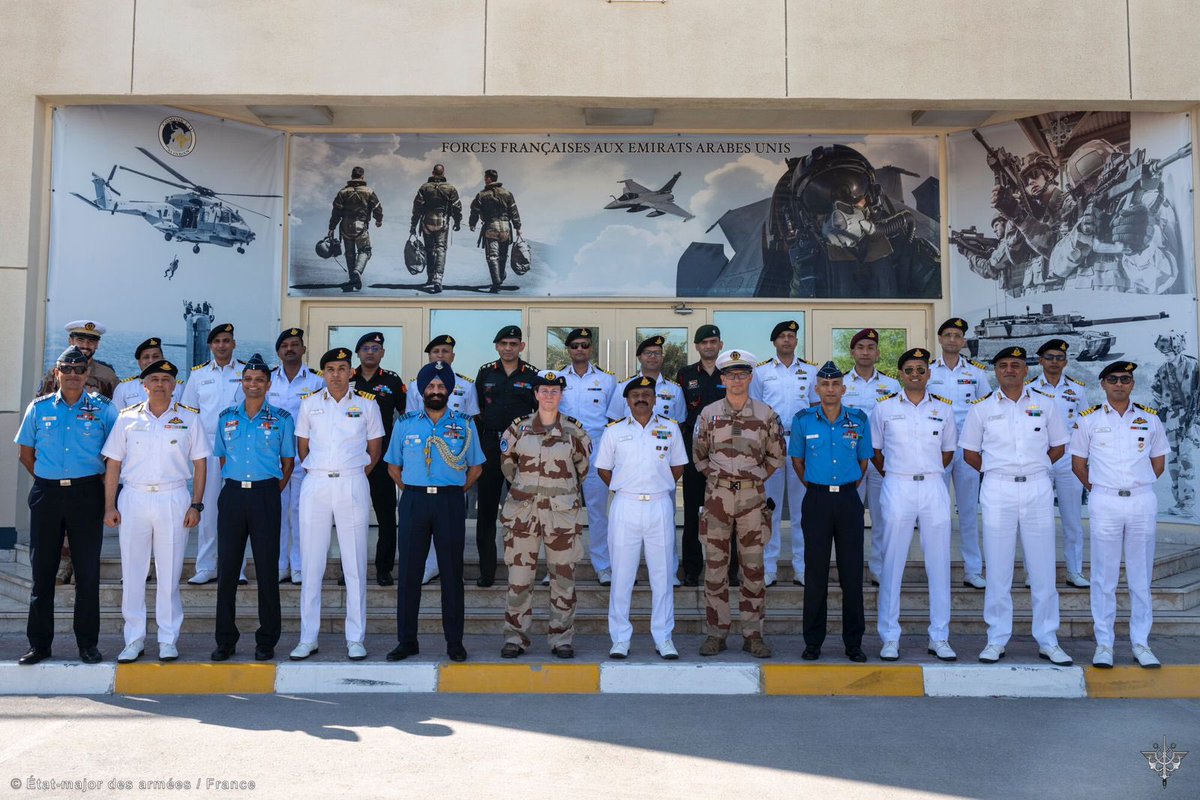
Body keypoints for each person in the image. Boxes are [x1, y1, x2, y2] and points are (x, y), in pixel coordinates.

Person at [960, 346, 1073, 666]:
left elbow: (1059, 446)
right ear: (995, 371)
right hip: (997, 489)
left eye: (1016, 365)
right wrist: (996, 470)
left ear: (1026, 370)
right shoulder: (981, 409)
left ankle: (1048, 638)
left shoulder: (1046, 404)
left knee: (1042, 568)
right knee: (997, 569)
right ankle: (996, 637)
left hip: (1037, 488)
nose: (1009, 369)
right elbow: (970, 453)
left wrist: (1035, 466)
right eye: (1003, 365)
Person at [14, 346, 118, 665]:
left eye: (79, 369)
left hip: (87, 494)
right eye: (67, 369)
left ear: (87, 373)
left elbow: (116, 455)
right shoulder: (39, 407)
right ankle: (39, 645)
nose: (73, 375)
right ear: (57, 373)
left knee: (87, 574)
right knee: (42, 573)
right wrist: (50, 479)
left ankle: (87, 644)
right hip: (47, 495)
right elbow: (26, 454)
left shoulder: (104, 409)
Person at [101, 359, 210, 663]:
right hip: (134, 497)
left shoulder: (189, 419)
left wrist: (196, 502)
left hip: (173, 498)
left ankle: (167, 638)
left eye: (166, 379)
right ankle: (133, 638)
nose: (160, 384)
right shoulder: (126, 418)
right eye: (155, 379)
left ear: (175, 386)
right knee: (133, 572)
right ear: (144, 385)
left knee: (170, 572)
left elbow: (201, 462)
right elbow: (114, 464)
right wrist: (109, 505)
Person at [385, 362, 485, 663]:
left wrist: (451, 490)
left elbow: (476, 467)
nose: (436, 391)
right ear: (422, 390)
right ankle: (407, 640)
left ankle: (454, 641)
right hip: (415, 502)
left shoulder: (465, 424)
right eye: (431, 386)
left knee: (452, 574)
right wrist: (416, 487)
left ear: (450, 390)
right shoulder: (405, 423)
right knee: (409, 574)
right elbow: (393, 467)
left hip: (450, 503)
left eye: (442, 386)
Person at [1071, 361, 1169, 668]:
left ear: (1132, 384)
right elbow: (1078, 464)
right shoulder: (1088, 420)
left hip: (1140, 500)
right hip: (1106, 501)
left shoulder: (1149, 419)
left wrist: (1134, 485)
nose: (1119, 384)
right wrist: (1101, 488)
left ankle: (1141, 642)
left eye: (1125, 379)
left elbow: (1158, 462)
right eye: (1112, 379)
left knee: (1140, 577)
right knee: (1104, 577)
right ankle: (1104, 644)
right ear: (1102, 384)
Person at [289, 348, 384, 662]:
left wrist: (352, 471)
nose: (336, 374)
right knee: (311, 564)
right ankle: (308, 637)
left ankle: (355, 638)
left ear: (350, 371)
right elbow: (302, 447)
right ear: (323, 373)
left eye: (342, 368)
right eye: (330, 369)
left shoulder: (367, 405)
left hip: (352, 482)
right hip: (316, 483)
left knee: (355, 564)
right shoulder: (309, 404)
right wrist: (321, 470)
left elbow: (374, 448)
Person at [694, 350, 787, 659]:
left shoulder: (765, 414)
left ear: (750, 378)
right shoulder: (708, 414)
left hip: (752, 499)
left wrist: (756, 477)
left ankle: (753, 634)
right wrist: (718, 479)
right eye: (730, 375)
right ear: (722, 379)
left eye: (742, 374)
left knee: (753, 568)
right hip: (718, 498)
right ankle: (716, 634)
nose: (736, 380)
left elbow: (776, 455)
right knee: (716, 570)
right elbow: (699, 455)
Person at [870, 348, 957, 662]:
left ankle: (940, 636)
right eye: (909, 370)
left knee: (939, 563)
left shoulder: (944, 410)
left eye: (921, 369)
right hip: (898, 484)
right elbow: (876, 452)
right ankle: (890, 636)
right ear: (900, 375)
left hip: (933, 485)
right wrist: (896, 473)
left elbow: (948, 452)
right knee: (892, 563)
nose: (916, 375)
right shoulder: (883, 409)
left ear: (929, 374)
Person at [498, 371, 591, 659]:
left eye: (555, 391)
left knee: (563, 578)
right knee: (519, 578)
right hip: (523, 513)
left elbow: (582, 469)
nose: (549, 395)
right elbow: (507, 465)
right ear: (536, 394)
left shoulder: (574, 431)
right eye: (544, 390)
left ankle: (561, 638)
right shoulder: (518, 429)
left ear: (561, 395)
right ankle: (515, 637)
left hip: (561, 515)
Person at [595, 376, 688, 660]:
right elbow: (603, 469)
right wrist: (627, 485)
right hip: (626, 505)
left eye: (646, 394)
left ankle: (663, 637)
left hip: (659, 505)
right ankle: (620, 638)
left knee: (662, 575)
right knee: (622, 575)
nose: (641, 399)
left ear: (655, 398)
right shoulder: (614, 431)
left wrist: (656, 485)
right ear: (627, 400)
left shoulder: (670, 429)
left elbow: (678, 466)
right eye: (635, 394)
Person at [210, 354, 295, 662]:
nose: (253, 384)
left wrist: (269, 490)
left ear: (268, 384)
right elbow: (222, 458)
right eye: (248, 379)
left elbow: (288, 463)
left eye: (259, 379)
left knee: (267, 570)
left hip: (265, 497)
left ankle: (267, 640)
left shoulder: (282, 419)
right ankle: (225, 640)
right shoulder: (225, 417)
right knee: (228, 570)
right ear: (242, 383)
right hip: (232, 496)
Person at [790, 361, 871, 662]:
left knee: (851, 575)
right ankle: (813, 641)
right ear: (816, 388)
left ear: (844, 389)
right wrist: (818, 486)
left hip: (849, 501)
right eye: (825, 385)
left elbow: (864, 462)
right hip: (817, 501)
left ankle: (854, 643)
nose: (830, 390)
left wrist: (845, 487)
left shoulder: (859, 420)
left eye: (836, 384)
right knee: (815, 574)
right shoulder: (803, 420)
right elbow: (797, 462)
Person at [406, 334, 480, 585]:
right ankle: (429, 566)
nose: (441, 355)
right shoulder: (417, 384)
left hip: (453, 469)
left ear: (453, 356)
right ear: (429, 356)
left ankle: (448, 568)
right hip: (423, 467)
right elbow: (410, 423)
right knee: (421, 530)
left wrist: (464, 481)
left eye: (445, 351)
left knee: (451, 530)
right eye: (436, 351)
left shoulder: (467, 386)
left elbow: (470, 424)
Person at [749, 319, 818, 587]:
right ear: (774, 342)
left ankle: (802, 567)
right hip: (771, 446)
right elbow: (755, 410)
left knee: (803, 512)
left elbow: (815, 408)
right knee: (770, 510)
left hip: (801, 445)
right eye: (782, 336)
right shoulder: (762, 372)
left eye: (791, 336)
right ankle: (769, 567)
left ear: (796, 341)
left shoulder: (810, 371)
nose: (787, 340)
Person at [473, 325, 540, 587]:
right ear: (497, 347)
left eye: (513, 344)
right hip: (490, 445)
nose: (508, 348)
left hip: (521, 448)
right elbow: (477, 409)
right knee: (486, 511)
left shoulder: (533, 375)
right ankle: (486, 572)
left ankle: (521, 571)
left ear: (521, 346)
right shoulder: (485, 372)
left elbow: (539, 414)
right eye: (503, 344)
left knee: (523, 511)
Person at [180, 322, 245, 586]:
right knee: (207, 511)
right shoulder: (198, 376)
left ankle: (236, 567)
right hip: (206, 448)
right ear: (210, 345)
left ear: (233, 344)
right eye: (217, 341)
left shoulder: (245, 372)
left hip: (238, 448)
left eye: (226, 340)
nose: (221, 345)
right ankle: (206, 566)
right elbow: (188, 414)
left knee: (237, 511)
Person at [929, 317, 992, 589]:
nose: (953, 339)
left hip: (967, 450)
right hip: (936, 451)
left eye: (957, 335)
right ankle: (938, 570)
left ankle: (973, 570)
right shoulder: (929, 371)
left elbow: (987, 412)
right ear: (940, 339)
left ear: (963, 342)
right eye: (948, 335)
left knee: (968, 512)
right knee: (938, 514)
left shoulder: (977, 373)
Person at [554, 328, 617, 585]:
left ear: (591, 350)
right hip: (562, 452)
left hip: (596, 452)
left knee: (598, 513)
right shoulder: (555, 379)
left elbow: (614, 420)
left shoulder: (607, 381)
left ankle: (603, 566)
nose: (580, 349)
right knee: (560, 512)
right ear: (568, 350)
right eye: (575, 346)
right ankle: (558, 568)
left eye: (584, 345)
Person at [840, 327, 900, 585]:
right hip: (847, 459)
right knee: (849, 519)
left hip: (879, 459)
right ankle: (851, 569)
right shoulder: (840, 383)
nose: (865, 352)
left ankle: (878, 568)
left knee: (881, 517)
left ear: (878, 354)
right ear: (852, 352)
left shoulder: (893, 385)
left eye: (870, 348)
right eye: (860, 347)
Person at [1029, 339, 1089, 588]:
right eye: (1049, 357)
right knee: (1035, 520)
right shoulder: (1029, 389)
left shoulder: (1077, 390)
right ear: (1041, 360)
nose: (1054, 362)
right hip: (1038, 459)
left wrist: (1084, 461)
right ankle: (1033, 572)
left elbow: (1085, 427)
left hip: (1067, 461)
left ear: (1065, 362)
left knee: (1072, 519)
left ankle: (1074, 571)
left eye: (1059, 358)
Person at [267, 328, 325, 584]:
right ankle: (280, 565)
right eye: (285, 345)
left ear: (303, 349)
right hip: (272, 458)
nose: (290, 348)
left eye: (295, 344)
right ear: (278, 352)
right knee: (276, 513)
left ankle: (300, 564)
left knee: (301, 512)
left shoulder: (316, 382)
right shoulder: (268, 380)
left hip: (304, 457)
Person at [350, 332, 408, 587]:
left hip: (383, 460)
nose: (370, 352)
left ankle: (384, 569)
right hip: (350, 458)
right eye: (365, 348)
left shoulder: (393, 382)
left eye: (375, 348)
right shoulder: (346, 378)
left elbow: (405, 417)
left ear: (383, 353)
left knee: (386, 518)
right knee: (350, 518)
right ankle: (349, 569)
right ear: (358, 353)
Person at [676, 324, 731, 587]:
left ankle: (729, 570)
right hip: (694, 454)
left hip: (727, 454)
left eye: (713, 341)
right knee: (692, 513)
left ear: (720, 344)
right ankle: (691, 569)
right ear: (696, 347)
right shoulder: (685, 375)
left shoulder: (731, 373)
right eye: (704, 342)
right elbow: (680, 416)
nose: (709, 346)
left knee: (727, 512)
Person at [606, 335, 686, 424]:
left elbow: (680, 423)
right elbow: (615, 420)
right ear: (639, 358)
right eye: (648, 353)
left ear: (662, 358)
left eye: (657, 353)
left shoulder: (675, 390)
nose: (652, 357)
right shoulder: (622, 387)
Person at [328, 165, 383, 292]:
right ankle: (357, 271)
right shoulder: (369, 191)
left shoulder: (342, 192)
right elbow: (377, 208)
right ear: (362, 176)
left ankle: (352, 278)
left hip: (345, 227)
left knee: (349, 253)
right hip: (361, 227)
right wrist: (378, 220)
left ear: (351, 176)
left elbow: (336, 211)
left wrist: (331, 227)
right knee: (365, 251)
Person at [410, 164, 462, 293]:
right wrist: (457, 222)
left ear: (433, 173)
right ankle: (438, 279)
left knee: (429, 250)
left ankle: (430, 277)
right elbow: (456, 207)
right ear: (443, 173)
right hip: (442, 222)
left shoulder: (424, 187)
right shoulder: (451, 188)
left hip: (426, 221)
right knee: (441, 250)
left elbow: (417, 208)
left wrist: (413, 225)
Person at [469, 169, 522, 292]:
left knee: (492, 257)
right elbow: (514, 211)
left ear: (488, 178)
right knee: (503, 256)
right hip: (505, 228)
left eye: (485, 177)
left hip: (491, 227)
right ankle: (501, 276)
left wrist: (472, 224)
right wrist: (518, 227)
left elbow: (475, 211)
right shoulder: (507, 193)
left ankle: (496, 281)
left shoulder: (482, 195)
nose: (484, 179)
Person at [38, 320, 119, 399]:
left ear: (97, 344)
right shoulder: (56, 373)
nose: (85, 345)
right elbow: (42, 406)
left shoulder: (107, 376)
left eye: (91, 341)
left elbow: (115, 407)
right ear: (71, 341)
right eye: (80, 340)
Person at [112, 337, 184, 410]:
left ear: (163, 359)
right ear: (139, 362)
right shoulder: (124, 388)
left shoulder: (179, 388)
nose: (151, 360)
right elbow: (116, 417)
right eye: (146, 357)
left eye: (155, 356)